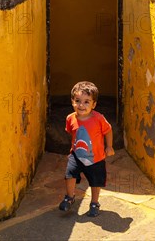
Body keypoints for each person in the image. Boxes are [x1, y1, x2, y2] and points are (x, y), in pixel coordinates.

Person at [59, 81, 115, 217]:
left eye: (86, 102)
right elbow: (73, 134)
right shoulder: (70, 118)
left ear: (94, 104)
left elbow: (108, 130)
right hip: (76, 155)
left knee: (96, 181)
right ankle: (69, 197)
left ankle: (94, 203)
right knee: (69, 175)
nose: (81, 105)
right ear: (72, 101)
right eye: (77, 101)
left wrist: (109, 146)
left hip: (96, 158)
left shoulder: (99, 119)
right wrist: (71, 150)